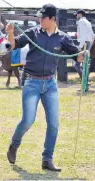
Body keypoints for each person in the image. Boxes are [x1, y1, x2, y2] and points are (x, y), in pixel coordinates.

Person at [5, 4, 87, 172]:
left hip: (50, 84)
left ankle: (47, 159)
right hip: (31, 82)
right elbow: (14, 45)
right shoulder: (33, 33)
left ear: (52, 19)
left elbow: (77, 56)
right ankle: (14, 145)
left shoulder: (63, 38)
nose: (39, 20)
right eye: (39, 17)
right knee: (28, 120)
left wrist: (83, 54)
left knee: (54, 124)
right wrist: (10, 33)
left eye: (43, 17)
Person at [74, 9, 95, 91]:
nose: (76, 16)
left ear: (80, 14)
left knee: (77, 65)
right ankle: (85, 84)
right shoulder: (88, 22)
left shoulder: (81, 22)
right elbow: (93, 35)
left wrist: (80, 46)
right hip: (89, 43)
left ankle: (85, 83)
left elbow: (82, 35)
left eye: (77, 15)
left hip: (84, 44)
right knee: (84, 65)